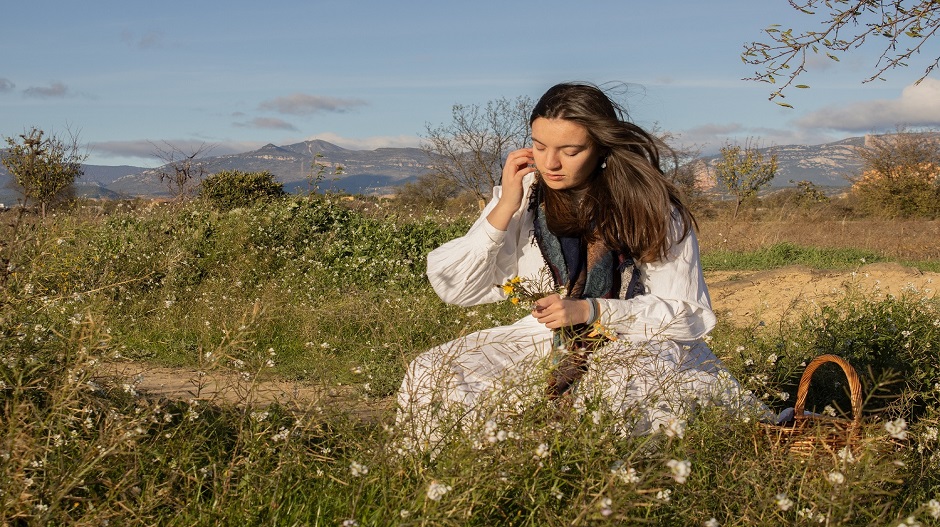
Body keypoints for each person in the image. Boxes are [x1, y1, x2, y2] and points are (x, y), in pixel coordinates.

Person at [396, 82, 767, 450]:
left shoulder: (653, 210)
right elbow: (454, 285)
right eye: (539, 146)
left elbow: (689, 314)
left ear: (601, 149)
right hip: (545, 340)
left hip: (639, 343)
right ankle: (468, 479)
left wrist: (591, 310)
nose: (550, 163)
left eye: (570, 150)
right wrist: (504, 206)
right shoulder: (523, 199)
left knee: (612, 390)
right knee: (435, 371)